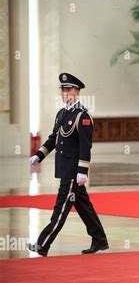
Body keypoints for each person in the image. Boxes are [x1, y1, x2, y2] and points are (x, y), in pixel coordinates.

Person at [27, 73, 108, 257]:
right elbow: (54, 139)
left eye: (69, 89)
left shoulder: (82, 116)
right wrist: (39, 155)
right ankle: (100, 239)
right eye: (63, 89)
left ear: (77, 92)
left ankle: (43, 244)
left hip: (73, 173)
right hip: (64, 169)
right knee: (83, 206)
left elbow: (85, 147)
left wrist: (82, 171)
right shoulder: (62, 114)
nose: (65, 93)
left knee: (61, 208)